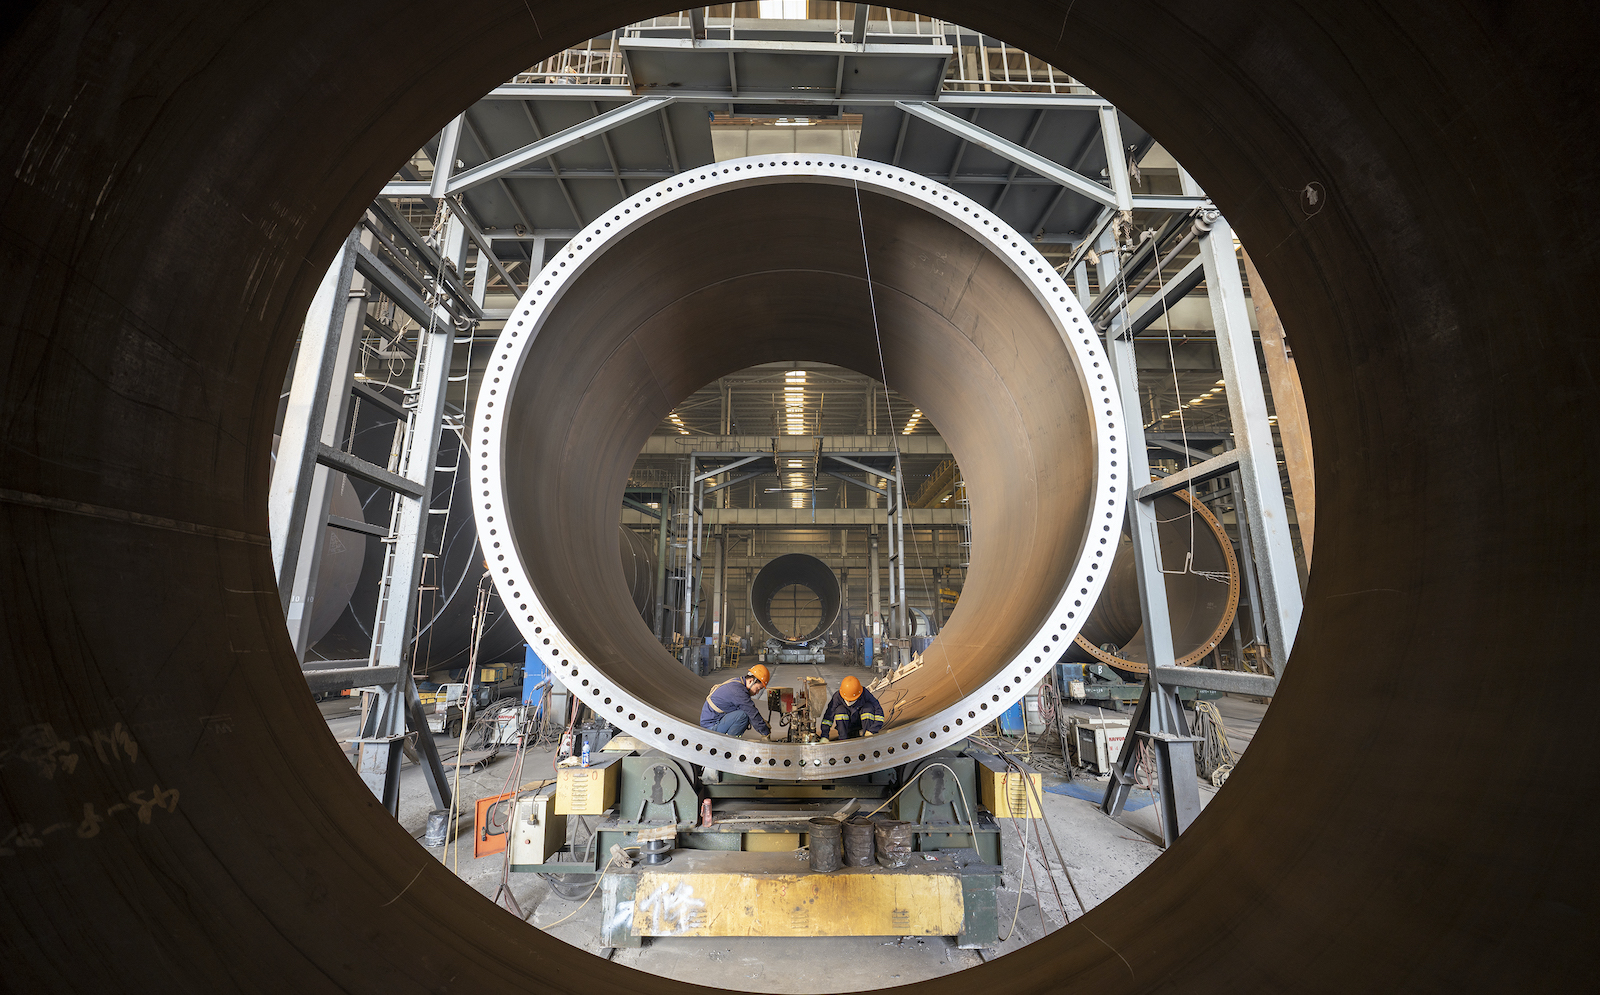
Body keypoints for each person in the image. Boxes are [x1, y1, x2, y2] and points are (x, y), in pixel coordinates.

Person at [700, 664, 771, 738]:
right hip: (710, 729)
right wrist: (765, 733)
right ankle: (729, 744)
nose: (757, 693)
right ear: (751, 681)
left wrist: (761, 721)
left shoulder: (737, 682)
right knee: (743, 715)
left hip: (712, 722)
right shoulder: (738, 691)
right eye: (758, 689)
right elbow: (751, 712)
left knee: (745, 713)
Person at [819, 675, 885, 740]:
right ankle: (843, 739)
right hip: (846, 728)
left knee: (868, 708)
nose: (849, 701)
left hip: (861, 726)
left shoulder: (865, 694)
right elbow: (828, 717)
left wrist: (873, 730)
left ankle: (867, 738)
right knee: (840, 710)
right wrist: (824, 736)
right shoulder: (837, 697)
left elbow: (878, 710)